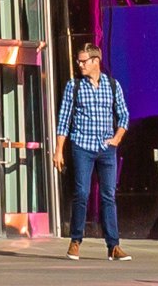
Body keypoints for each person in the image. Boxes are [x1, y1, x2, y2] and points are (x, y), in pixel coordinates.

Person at [56, 46, 130, 260]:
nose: (80, 65)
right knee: (82, 193)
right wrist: (59, 150)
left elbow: (123, 115)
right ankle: (76, 240)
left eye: (83, 61)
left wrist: (116, 139)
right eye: (78, 61)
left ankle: (113, 246)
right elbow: (64, 120)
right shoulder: (74, 86)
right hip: (82, 146)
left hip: (107, 149)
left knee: (109, 196)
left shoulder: (113, 86)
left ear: (96, 61)